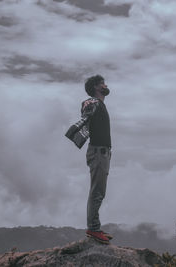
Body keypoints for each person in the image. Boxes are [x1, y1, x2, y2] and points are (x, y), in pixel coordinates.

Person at [81, 75, 112, 244]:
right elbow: (86, 106)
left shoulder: (101, 105)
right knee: (97, 191)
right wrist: (89, 103)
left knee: (99, 191)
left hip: (103, 153)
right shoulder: (92, 103)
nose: (106, 85)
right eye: (102, 83)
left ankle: (95, 227)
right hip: (98, 152)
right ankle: (93, 229)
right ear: (96, 87)